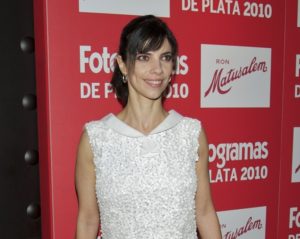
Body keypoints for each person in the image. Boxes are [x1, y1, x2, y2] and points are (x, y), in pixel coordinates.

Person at [75, 15, 222, 239]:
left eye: (165, 57)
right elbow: (88, 220)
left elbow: (203, 212)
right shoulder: (96, 139)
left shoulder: (191, 134)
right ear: (123, 64)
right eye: (144, 57)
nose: (157, 69)